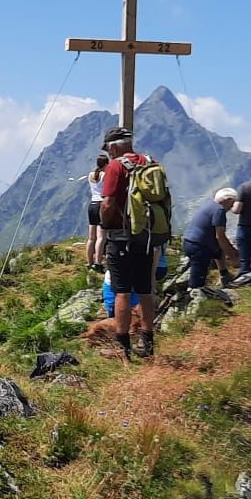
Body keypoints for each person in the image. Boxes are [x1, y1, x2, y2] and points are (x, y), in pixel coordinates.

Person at [98, 126, 169, 359]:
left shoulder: (116, 167)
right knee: (145, 289)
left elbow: (107, 203)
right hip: (147, 236)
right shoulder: (150, 162)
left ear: (116, 146)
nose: (108, 153)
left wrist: (105, 226)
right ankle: (147, 343)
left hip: (121, 237)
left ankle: (122, 348)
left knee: (122, 292)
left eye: (108, 149)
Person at [182, 188, 240, 289]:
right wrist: (233, 258)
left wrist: (229, 249)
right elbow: (220, 237)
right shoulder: (219, 211)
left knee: (218, 250)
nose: (231, 207)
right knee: (197, 280)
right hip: (199, 247)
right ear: (228, 200)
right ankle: (193, 296)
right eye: (232, 203)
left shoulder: (209, 205)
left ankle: (224, 274)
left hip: (190, 241)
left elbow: (218, 241)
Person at [81, 151, 109, 272]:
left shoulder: (91, 175)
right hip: (101, 204)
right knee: (101, 237)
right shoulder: (105, 175)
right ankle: (98, 262)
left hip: (92, 205)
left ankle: (89, 262)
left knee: (91, 237)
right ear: (106, 164)